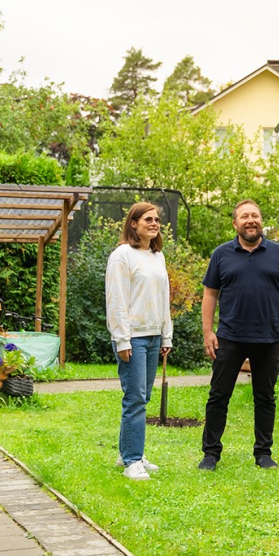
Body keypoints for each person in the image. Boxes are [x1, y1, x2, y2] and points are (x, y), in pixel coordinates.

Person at [197, 200, 279, 471]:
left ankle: (263, 453)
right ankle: (210, 454)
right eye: (244, 216)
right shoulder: (221, 254)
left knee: (265, 397)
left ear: (261, 221)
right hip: (229, 337)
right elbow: (210, 294)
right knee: (219, 396)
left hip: (268, 338)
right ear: (235, 224)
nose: (250, 220)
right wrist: (208, 331)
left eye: (255, 215)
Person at [106, 202, 173, 481]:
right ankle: (133, 460)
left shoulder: (157, 256)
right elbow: (116, 298)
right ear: (133, 223)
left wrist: (166, 334)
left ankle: (129, 452)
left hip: (154, 335)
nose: (154, 223)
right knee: (135, 399)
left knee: (141, 398)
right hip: (131, 337)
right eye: (148, 219)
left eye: (157, 219)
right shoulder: (122, 255)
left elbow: (164, 297)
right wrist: (122, 338)